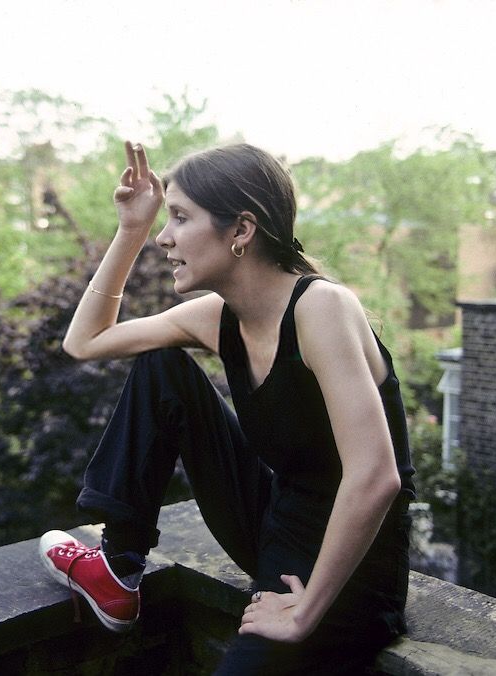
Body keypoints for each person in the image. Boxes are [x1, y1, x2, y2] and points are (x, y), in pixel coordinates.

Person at [38, 141, 415, 674]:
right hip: (273, 521)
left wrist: (304, 613)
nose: (165, 239)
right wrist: (130, 230)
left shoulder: (322, 308)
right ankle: (119, 569)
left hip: (347, 568)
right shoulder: (217, 316)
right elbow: (85, 343)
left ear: (240, 230)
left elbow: (377, 476)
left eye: (180, 218)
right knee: (159, 366)